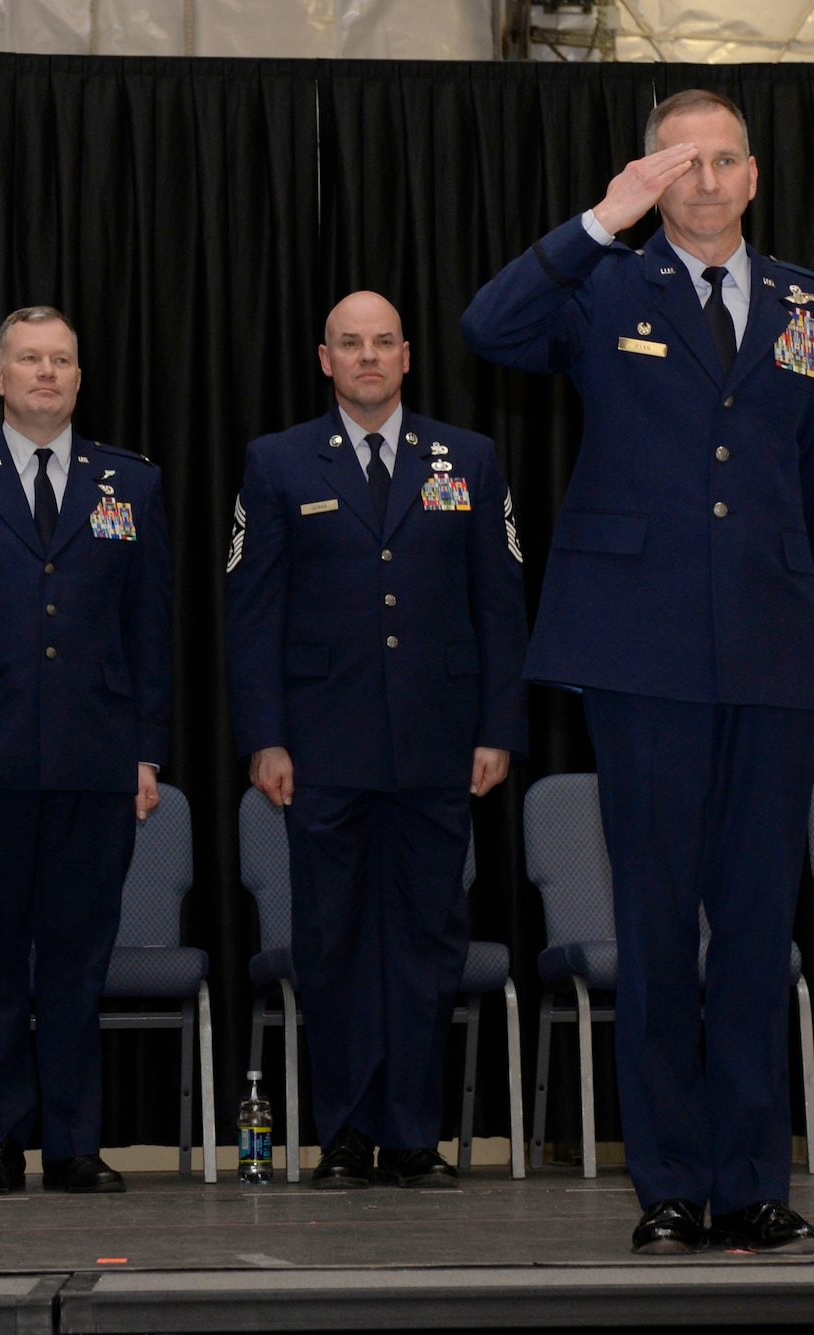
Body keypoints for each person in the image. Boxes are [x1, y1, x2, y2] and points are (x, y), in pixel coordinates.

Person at [462, 89, 814, 1255]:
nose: (702, 178)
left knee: (754, 924)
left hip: (773, 643)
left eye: (723, 160)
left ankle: (750, 1180)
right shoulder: (601, 284)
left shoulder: (811, 305)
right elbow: (488, 329)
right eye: (677, 163)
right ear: (648, 176)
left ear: (754, 178)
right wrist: (599, 222)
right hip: (637, 644)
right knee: (654, 924)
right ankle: (668, 1184)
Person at [227, 291, 529, 1189]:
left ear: (406, 356)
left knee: (426, 941)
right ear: (325, 360)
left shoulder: (467, 457)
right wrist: (265, 736)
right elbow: (254, 614)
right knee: (333, 942)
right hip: (321, 749)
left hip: (439, 744)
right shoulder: (277, 463)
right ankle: (348, 1131)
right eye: (349, 344)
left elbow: (500, 603)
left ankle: (412, 1133)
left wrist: (497, 726)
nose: (367, 357)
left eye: (383, 342)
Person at [0, 306, 172, 1196]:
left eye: (61, 360)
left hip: (96, 756)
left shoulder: (131, 483)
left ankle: (76, 1144)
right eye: (28, 359)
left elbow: (150, 629)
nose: (46, 373)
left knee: (81, 956)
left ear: (79, 379)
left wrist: (148, 749)